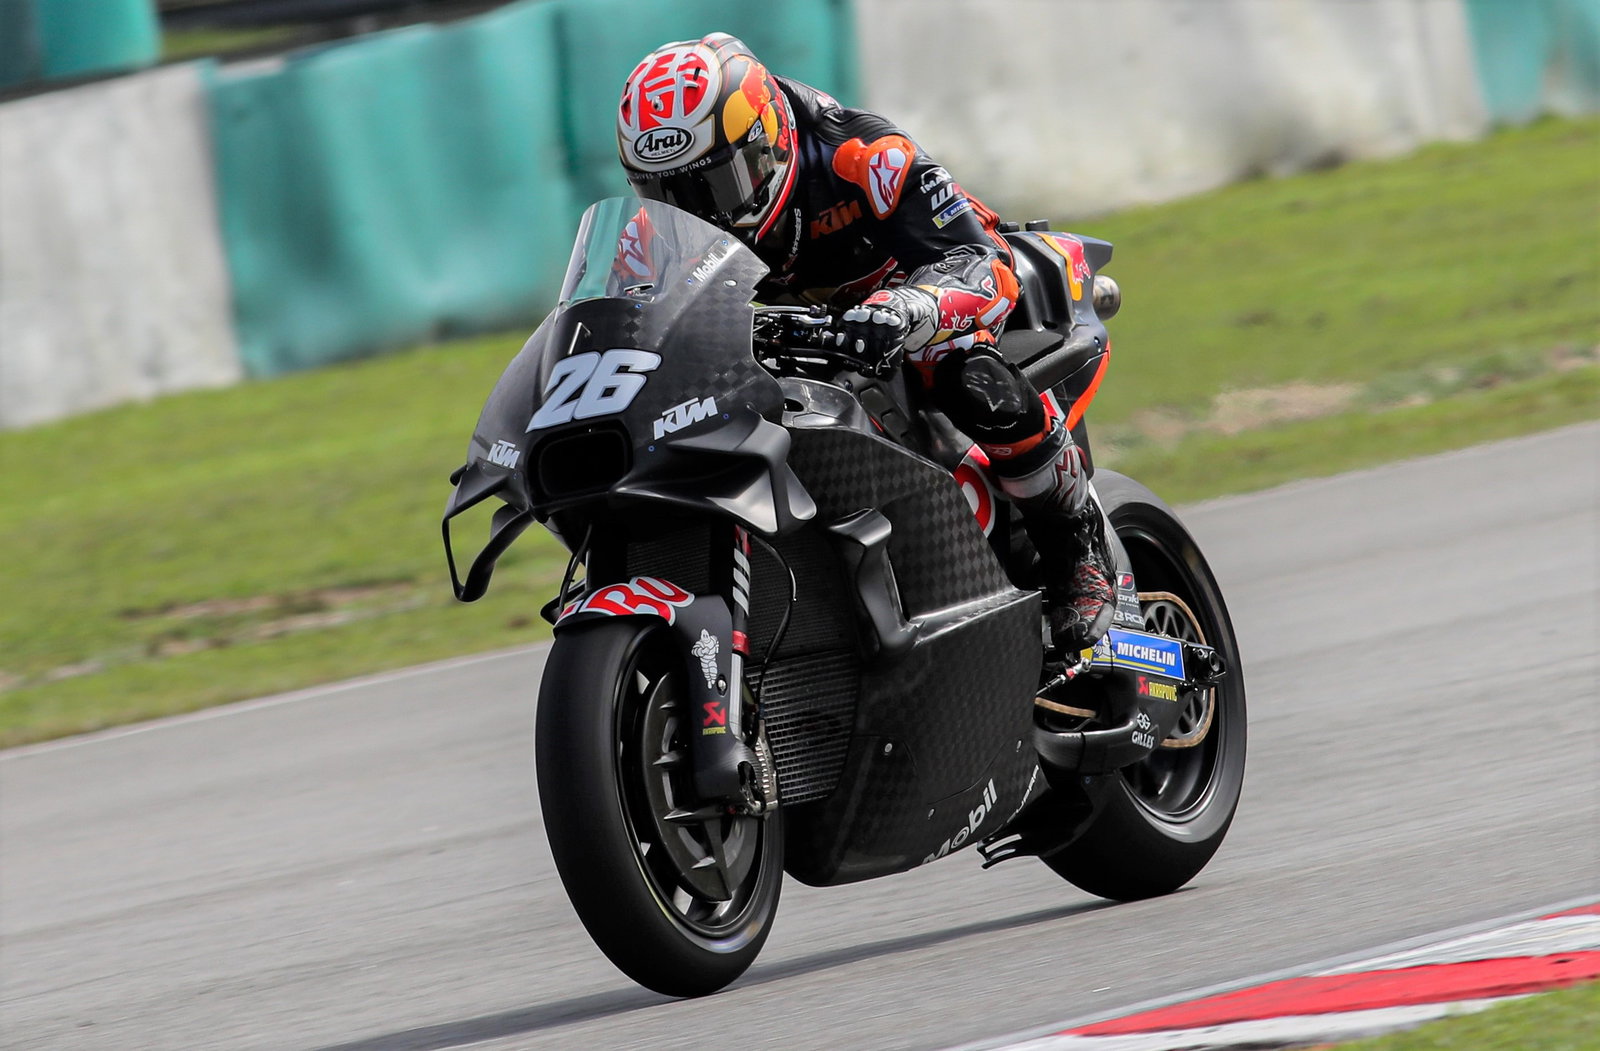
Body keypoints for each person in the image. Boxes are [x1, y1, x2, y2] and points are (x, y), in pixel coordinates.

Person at [616, 33, 1113, 650]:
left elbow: (984, 263)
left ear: (767, 142)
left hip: (923, 307)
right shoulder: (653, 232)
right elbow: (631, 325)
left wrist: (906, 307)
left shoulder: (864, 154)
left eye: (713, 187)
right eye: (668, 196)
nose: (697, 216)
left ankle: (1077, 553)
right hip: (795, 347)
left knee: (964, 372)